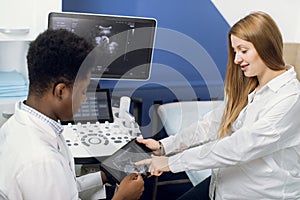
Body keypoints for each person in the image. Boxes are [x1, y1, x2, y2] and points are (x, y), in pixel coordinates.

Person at [136, 11, 300, 199]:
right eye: (235, 51)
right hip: (222, 185)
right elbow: (213, 124)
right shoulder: (250, 87)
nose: (237, 59)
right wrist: (163, 146)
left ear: (266, 47)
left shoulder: (290, 99)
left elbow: (238, 147)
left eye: (243, 50)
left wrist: (171, 162)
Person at [0, 29, 144, 200]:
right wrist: (122, 198)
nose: (84, 99)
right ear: (60, 91)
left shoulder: (17, 123)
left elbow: (65, 187)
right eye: (83, 91)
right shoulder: (42, 162)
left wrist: (104, 176)